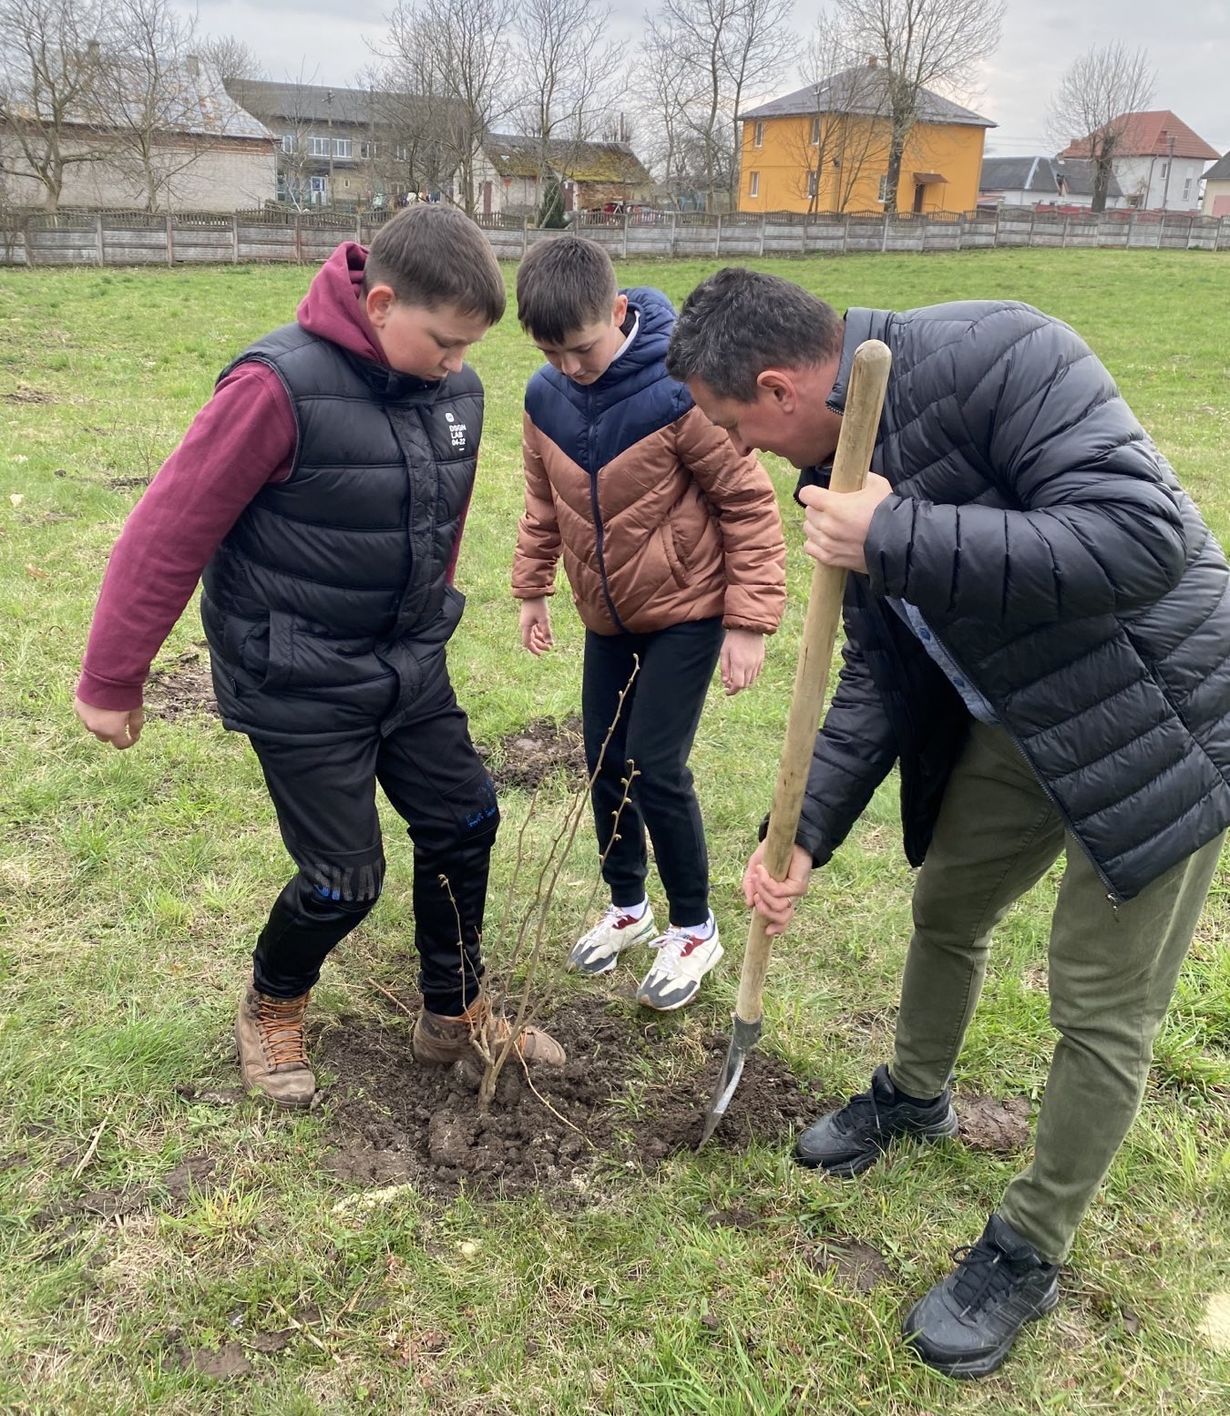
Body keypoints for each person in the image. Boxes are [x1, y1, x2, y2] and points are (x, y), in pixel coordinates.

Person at [665, 267, 1230, 1378]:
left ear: (779, 388)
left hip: (1165, 716)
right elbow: (880, 669)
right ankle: (913, 1096)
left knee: (1099, 1005)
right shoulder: (836, 466)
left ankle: (1026, 1246)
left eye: (737, 425)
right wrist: (804, 835)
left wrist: (899, 533)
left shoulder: (1005, 355)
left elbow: (1139, 538)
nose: (740, 449)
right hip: (1020, 717)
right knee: (947, 904)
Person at [75, 204, 565, 1109]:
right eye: (445, 341)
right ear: (380, 304)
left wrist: (428, 620)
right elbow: (168, 531)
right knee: (345, 881)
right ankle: (271, 1002)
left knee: (466, 822)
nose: (460, 363)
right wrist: (113, 676)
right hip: (296, 673)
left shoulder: (457, 392)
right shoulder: (275, 387)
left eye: (470, 346)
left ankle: (451, 1013)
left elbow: (435, 525)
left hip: (407, 666)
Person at [512, 238, 786, 1010]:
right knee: (603, 760)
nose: (570, 366)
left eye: (581, 348)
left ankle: (695, 929)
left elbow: (748, 503)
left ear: (619, 313)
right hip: (607, 616)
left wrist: (748, 623)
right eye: (551, 353)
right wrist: (531, 587)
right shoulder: (545, 399)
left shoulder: (680, 394)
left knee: (654, 765)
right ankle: (629, 908)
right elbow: (542, 502)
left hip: (688, 612)